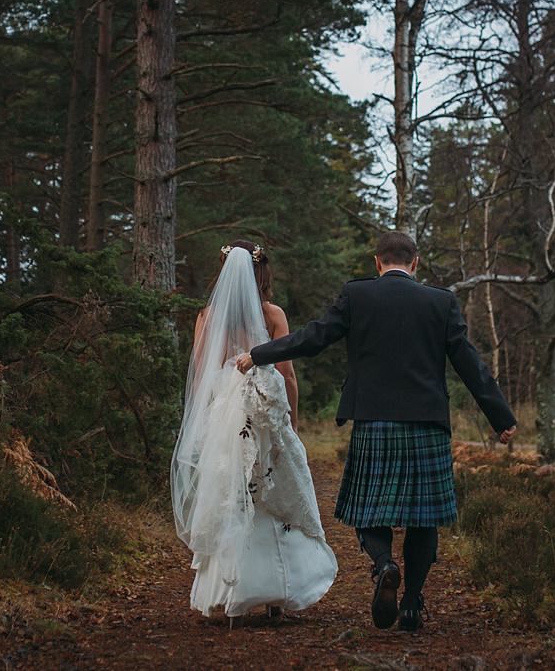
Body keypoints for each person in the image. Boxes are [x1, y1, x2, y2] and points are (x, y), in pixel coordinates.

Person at [237, 231, 516, 632]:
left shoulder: (358, 295)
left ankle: (385, 564)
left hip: (374, 421)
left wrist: (258, 354)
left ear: (376, 262)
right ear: (415, 262)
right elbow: (469, 363)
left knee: (368, 509)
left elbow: (312, 339)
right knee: (424, 520)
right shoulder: (441, 301)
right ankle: (411, 606)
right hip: (427, 425)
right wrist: (500, 417)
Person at [171, 240, 337, 620]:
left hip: (228, 416)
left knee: (231, 493)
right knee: (273, 488)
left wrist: (209, 416)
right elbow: (287, 373)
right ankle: (279, 592)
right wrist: (291, 419)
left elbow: (200, 372)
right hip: (263, 413)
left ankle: (231, 590)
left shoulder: (207, 316)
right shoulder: (272, 314)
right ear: (263, 272)